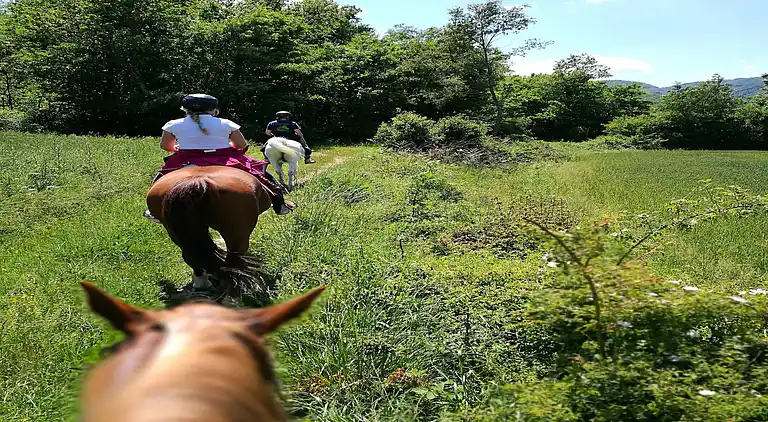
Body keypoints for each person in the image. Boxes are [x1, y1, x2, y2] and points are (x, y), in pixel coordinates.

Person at [142, 94, 295, 222]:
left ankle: (153, 209)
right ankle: (280, 203)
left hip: (186, 158)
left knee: (160, 178)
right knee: (262, 175)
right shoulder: (226, 123)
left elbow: (165, 145)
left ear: (185, 109)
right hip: (224, 157)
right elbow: (241, 145)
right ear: (213, 110)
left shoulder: (173, 124)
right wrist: (227, 145)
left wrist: (175, 148)